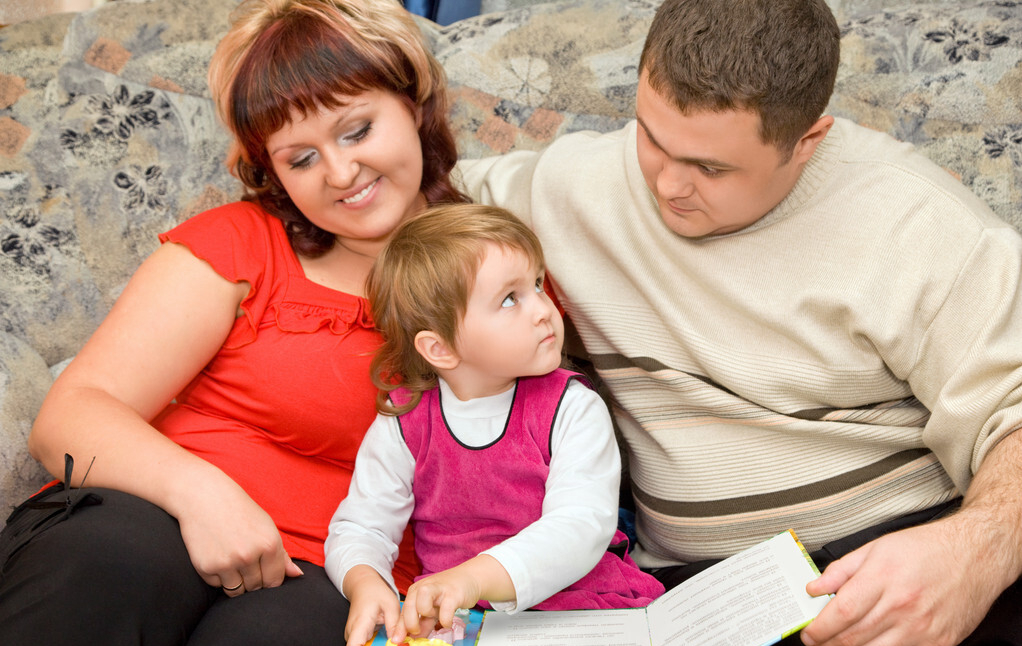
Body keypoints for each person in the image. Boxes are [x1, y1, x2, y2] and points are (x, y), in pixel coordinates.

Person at [455, 0, 1022, 644]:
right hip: (687, 599)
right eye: (651, 137)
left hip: (893, 558)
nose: (667, 185)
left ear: (806, 142)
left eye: (711, 168)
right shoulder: (572, 185)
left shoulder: (922, 223)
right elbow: (408, 208)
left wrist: (976, 550)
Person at [0, 0, 468, 643]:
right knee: (109, 567)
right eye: (300, 159)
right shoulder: (239, 242)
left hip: (342, 573)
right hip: (150, 514)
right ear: (271, 172)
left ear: (414, 105)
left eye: (357, 130)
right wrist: (202, 494)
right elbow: (69, 417)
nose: (340, 173)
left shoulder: (494, 272)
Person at [324, 204, 665, 645]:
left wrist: (473, 578)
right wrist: (366, 582)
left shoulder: (572, 406)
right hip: (460, 622)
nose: (543, 309)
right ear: (441, 349)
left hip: (582, 607)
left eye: (537, 284)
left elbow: (581, 525)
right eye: (509, 299)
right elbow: (361, 527)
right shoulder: (405, 422)